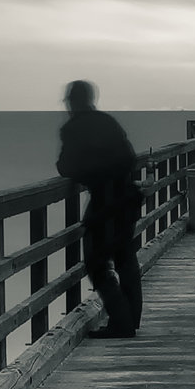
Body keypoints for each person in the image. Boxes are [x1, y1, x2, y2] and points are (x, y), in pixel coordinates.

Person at [55, 79, 142, 338]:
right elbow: (130, 158)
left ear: (73, 101)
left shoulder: (72, 129)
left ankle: (122, 323)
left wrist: (87, 172)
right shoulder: (108, 122)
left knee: (96, 262)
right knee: (125, 257)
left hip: (104, 202)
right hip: (127, 197)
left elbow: (65, 167)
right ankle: (131, 319)